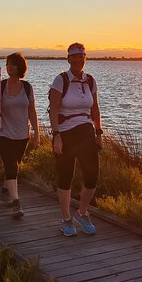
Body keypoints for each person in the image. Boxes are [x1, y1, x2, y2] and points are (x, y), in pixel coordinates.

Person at [48, 42, 103, 237]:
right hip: (65, 132)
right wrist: (56, 136)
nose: (79, 60)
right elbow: (54, 110)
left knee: (92, 176)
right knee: (66, 177)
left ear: (85, 58)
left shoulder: (90, 80)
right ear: (68, 59)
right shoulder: (60, 80)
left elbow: (94, 108)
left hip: (86, 131)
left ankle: (81, 212)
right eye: (75, 56)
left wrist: (99, 132)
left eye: (82, 56)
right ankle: (66, 219)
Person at [0, 53, 39, 218]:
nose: (9, 67)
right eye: (8, 64)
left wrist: (36, 133)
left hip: (22, 135)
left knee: (13, 167)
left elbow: (32, 110)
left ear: (20, 67)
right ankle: (16, 202)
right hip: (3, 134)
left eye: (13, 64)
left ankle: (4, 190)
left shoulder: (27, 87)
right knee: (11, 165)